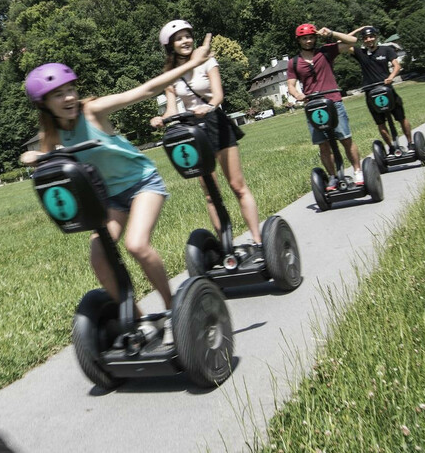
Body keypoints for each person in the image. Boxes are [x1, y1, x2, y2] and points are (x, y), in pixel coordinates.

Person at [19, 38, 212, 344]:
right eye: (58, 94)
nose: (69, 97)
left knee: (137, 245)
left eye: (70, 89)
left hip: (142, 183)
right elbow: (45, 157)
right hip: (109, 198)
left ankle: (173, 308)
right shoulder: (51, 132)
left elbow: (145, 90)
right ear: (44, 103)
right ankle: (138, 320)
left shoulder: (92, 111)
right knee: (99, 257)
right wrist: (32, 157)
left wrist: (193, 63)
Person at [149, 20, 262, 250]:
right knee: (211, 193)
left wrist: (208, 106)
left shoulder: (207, 61)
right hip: (192, 130)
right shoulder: (171, 74)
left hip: (215, 122)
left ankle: (258, 240)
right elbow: (171, 108)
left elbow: (218, 95)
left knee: (237, 186)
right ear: (170, 45)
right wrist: (160, 119)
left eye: (188, 36)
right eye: (179, 38)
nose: (186, 41)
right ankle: (226, 247)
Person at [286, 23, 363, 190]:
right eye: (304, 38)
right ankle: (333, 177)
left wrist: (331, 33)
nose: (308, 41)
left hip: (333, 101)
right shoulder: (294, 62)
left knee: (345, 138)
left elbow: (352, 41)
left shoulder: (326, 51)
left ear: (315, 38)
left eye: (311, 37)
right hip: (313, 106)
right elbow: (290, 85)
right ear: (298, 40)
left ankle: (358, 171)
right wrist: (298, 95)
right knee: (323, 145)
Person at [342, 26, 413, 154]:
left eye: (371, 37)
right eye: (365, 38)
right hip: (371, 92)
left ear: (376, 37)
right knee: (380, 123)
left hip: (387, 89)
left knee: (401, 117)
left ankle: (410, 143)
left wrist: (391, 77)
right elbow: (343, 42)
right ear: (363, 40)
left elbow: (397, 66)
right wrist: (358, 30)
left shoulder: (386, 50)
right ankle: (391, 147)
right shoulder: (360, 53)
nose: (369, 39)